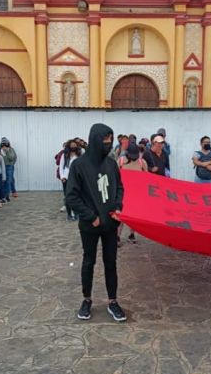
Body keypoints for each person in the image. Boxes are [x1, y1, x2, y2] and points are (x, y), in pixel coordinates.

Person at [66, 123, 126, 323]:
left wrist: (118, 207)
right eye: (105, 140)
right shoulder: (79, 165)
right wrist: (91, 216)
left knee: (111, 262)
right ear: (95, 140)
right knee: (88, 262)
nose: (108, 143)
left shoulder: (111, 164)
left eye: (111, 140)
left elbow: (119, 187)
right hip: (89, 225)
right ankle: (86, 299)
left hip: (110, 224)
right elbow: (71, 196)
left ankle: (113, 301)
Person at [117, 142, 146, 245]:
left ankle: (132, 234)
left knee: (133, 216)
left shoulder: (141, 162)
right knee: (121, 215)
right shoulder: (120, 161)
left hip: (136, 193)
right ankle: (117, 236)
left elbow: (147, 177)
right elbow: (115, 176)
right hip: (123, 193)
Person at [58, 140, 81, 222]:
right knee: (68, 197)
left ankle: (76, 214)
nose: (73, 146)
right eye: (72, 145)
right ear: (68, 146)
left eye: (75, 145)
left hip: (77, 179)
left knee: (77, 197)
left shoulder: (79, 155)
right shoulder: (64, 155)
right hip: (66, 179)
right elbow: (61, 167)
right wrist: (62, 177)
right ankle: (69, 215)